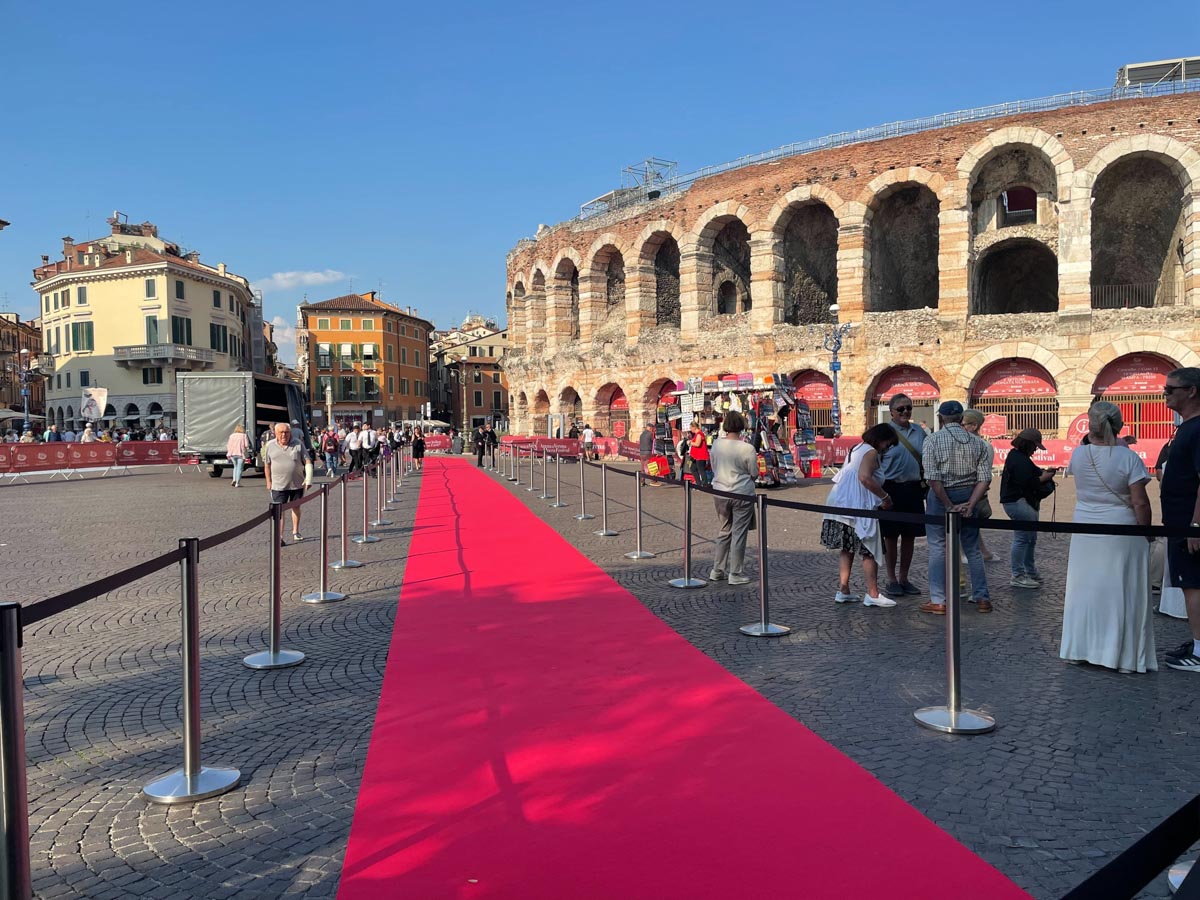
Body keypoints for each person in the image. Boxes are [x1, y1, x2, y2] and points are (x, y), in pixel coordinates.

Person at [1059, 402, 1155, 673]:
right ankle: (1121, 657)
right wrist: (1146, 532)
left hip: (1085, 524)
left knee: (1084, 588)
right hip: (1120, 527)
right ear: (1118, 425)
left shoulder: (1079, 454)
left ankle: (1079, 649)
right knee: (1121, 590)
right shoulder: (1128, 458)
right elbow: (1141, 503)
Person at [920, 400, 993, 614]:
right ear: (961, 418)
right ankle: (982, 598)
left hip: (942, 494)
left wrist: (948, 504)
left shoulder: (932, 440)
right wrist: (971, 503)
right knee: (972, 548)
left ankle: (939, 599)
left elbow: (933, 479)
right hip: (970, 492)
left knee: (938, 547)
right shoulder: (978, 443)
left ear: (941, 418)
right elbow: (985, 478)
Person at [821, 423, 900, 608]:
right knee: (869, 547)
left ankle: (844, 590)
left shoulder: (856, 447)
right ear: (882, 439)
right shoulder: (871, 452)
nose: (887, 448)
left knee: (847, 547)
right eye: (888, 443)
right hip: (855, 503)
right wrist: (885, 497)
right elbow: (864, 477)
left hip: (840, 500)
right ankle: (872, 593)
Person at [1161, 368, 1200, 672]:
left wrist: (1195, 525)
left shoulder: (1197, 429)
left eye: (1171, 390)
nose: (1165, 394)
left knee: (1193, 585)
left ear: (1191, 391)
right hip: (1180, 521)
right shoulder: (1187, 427)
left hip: (1189, 524)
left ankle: (1199, 651)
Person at [878, 394, 927, 596]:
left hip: (914, 488)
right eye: (901, 409)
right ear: (891, 411)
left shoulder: (920, 432)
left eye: (908, 408)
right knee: (890, 536)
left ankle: (904, 577)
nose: (905, 412)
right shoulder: (884, 433)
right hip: (891, 489)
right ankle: (891, 579)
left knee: (910, 536)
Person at [999, 428, 1056, 589]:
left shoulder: (1017, 456)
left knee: (1029, 538)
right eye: (1035, 446)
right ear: (1028, 444)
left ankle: (1029, 571)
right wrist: (1044, 477)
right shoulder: (1020, 459)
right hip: (1018, 501)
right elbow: (1030, 482)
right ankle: (1018, 574)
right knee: (1023, 538)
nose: (1036, 449)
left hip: (1018, 501)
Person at [708, 410, 757, 586]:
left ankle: (717, 569)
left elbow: (713, 466)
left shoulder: (716, 444)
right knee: (739, 533)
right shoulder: (747, 448)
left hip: (720, 491)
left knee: (724, 530)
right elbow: (754, 473)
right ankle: (735, 572)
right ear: (742, 427)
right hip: (741, 492)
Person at [960, 410, 997, 563]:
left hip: (973, 490)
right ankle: (983, 551)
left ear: (974, 426)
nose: (960, 428)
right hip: (971, 489)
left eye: (962, 425)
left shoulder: (983, 445)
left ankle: (964, 553)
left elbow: (983, 473)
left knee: (966, 524)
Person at [264, 422, 308, 546]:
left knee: (296, 507)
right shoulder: (270, 445)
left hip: (296, 483)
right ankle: (280, 536)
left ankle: (295, 531)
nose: (284, 435)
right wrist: (268, 481)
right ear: (275, 433)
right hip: (278, 485)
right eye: (281, 432)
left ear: (290, 432)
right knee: (279, 511)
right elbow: (267, 465)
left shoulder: (298, 444)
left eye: (286, 432)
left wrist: (308, 477)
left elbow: (307, 460)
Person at [688, 420, 710, 485]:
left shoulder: (699, 434)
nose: (690, 429)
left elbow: (697, 444)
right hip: (695, 456)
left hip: (700, 455)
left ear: (694, 427)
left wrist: (690, 442)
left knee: (701, 470)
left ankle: (704, 485)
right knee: (692, 468)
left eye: (691, 428)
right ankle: (698, 483)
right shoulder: (696, 434)